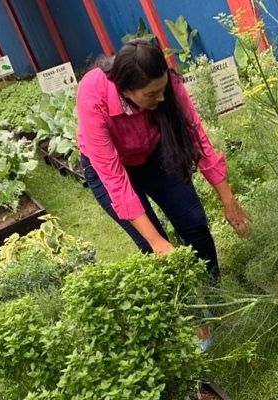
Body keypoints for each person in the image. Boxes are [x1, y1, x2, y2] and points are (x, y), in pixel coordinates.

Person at [75, 39, 251, 280]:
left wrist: (228, 200)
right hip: (109, 169)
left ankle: (214, 291)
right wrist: (157, 242)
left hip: (153, 152)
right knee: (152, 245)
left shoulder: (166, 84)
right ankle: (185, 298)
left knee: (194, 223)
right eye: (151, 94)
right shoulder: (93, 94)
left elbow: (198, 139)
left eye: (162, 90)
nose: (160, 98)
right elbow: (114, 179)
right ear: (126, 90)